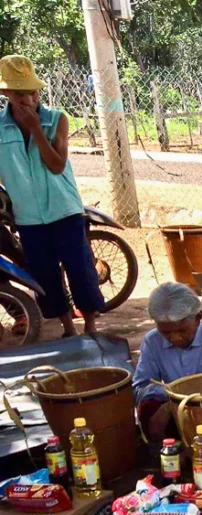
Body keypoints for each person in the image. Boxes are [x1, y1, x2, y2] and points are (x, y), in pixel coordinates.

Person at [0, 55, 104, 337]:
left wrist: (36, 129)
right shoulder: (1, 127)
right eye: (19, 93)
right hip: (29, 216)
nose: (28, 99)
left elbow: (57, 165)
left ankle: (91, 327)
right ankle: (68, 328)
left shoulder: (56, 119)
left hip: (64, 210)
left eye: (31, 92)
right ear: (7, 94)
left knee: (80, 269)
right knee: (45, 275)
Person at [133, 282, 202, 441]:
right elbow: (141, 389)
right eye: (166, 332)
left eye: (182, 330)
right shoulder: (152, 341)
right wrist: (170, 403)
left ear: (198, 317)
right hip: (175, 412)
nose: (175, 338)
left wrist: (175, 402)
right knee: (148, 409)